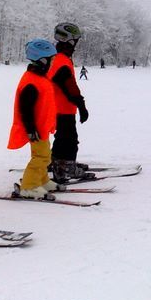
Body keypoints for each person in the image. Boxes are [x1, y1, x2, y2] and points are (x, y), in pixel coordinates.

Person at [8, 39, 59, 200]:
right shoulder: (31, 82)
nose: (53, 63)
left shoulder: (40, 78)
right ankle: (29, 186)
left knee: (45, 156)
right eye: (51, 60)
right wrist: (31, 129)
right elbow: (25, 109)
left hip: (42, 127)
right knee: (41, 157)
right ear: (43, 61)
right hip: (36, 129)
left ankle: (42, 180)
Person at [48, 23, 93, 183]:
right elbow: (69, 86)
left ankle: (58, 162)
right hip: (63, 108)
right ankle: (66, 167)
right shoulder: (62, 61)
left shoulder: (57, 58)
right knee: (69, 139)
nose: (76, 45)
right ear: (69, 41)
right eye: (75, 41)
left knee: (62, 137)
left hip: (58, 106)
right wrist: (81, 105)